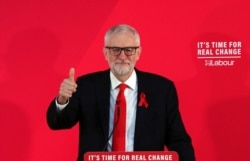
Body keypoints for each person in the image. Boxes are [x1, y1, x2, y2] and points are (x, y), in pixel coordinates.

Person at [47, 24, 195, 161]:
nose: (122, 56)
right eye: (115, 50)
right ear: (106, 53)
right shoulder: (87, 85)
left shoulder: (162, 89)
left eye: (129, 50)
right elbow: (59, 123)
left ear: (138, 53)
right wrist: (62, 101)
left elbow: (178, 140)